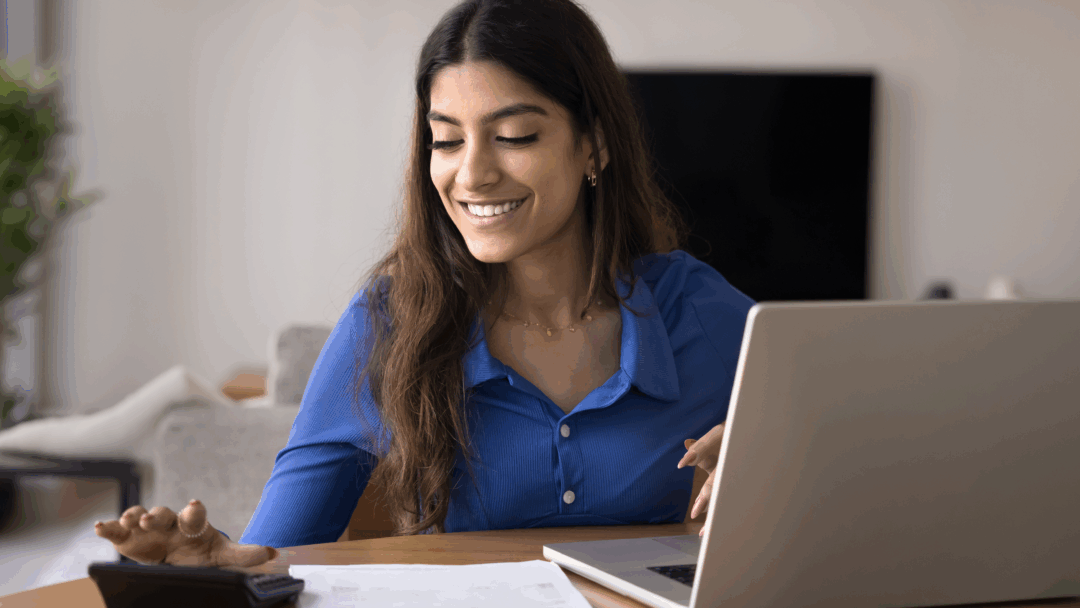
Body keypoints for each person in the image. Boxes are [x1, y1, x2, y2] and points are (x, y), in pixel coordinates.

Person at [94, 0, 753, 567]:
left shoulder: (696, 308)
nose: (472, 176)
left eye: (514, 135)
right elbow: (282, 551)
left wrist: (771, 456)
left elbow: (848, 437)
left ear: (595, 146)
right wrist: (215, 569)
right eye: (446, 141)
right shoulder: (389, 320)